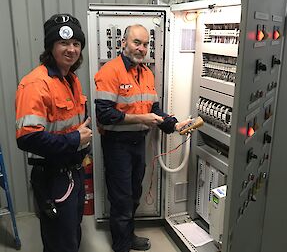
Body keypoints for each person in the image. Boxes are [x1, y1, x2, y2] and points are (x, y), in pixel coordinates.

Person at [94, 24, 191, 252]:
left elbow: (154, 110)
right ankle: (121, 246)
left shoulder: (146, 73)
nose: (141, 48)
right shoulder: (110, 71)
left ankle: (127, 236)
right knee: (121, 198)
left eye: (146, 44)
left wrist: (175, 124)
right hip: (117, 145)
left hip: (138, 144)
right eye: (137, 43)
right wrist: (141, 118)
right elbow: (104, 114)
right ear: (123, 43)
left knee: (134, 194)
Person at [15, 13, 92, 252]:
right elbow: (27, 138)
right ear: (50, 47)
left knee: (71, 233)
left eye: (76, 44)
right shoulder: (35, 84)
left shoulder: (70, 79)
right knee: (60, 241)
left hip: (74, 172)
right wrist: (75, 139)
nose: (71, 49)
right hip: (53, 178)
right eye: (64, 43)